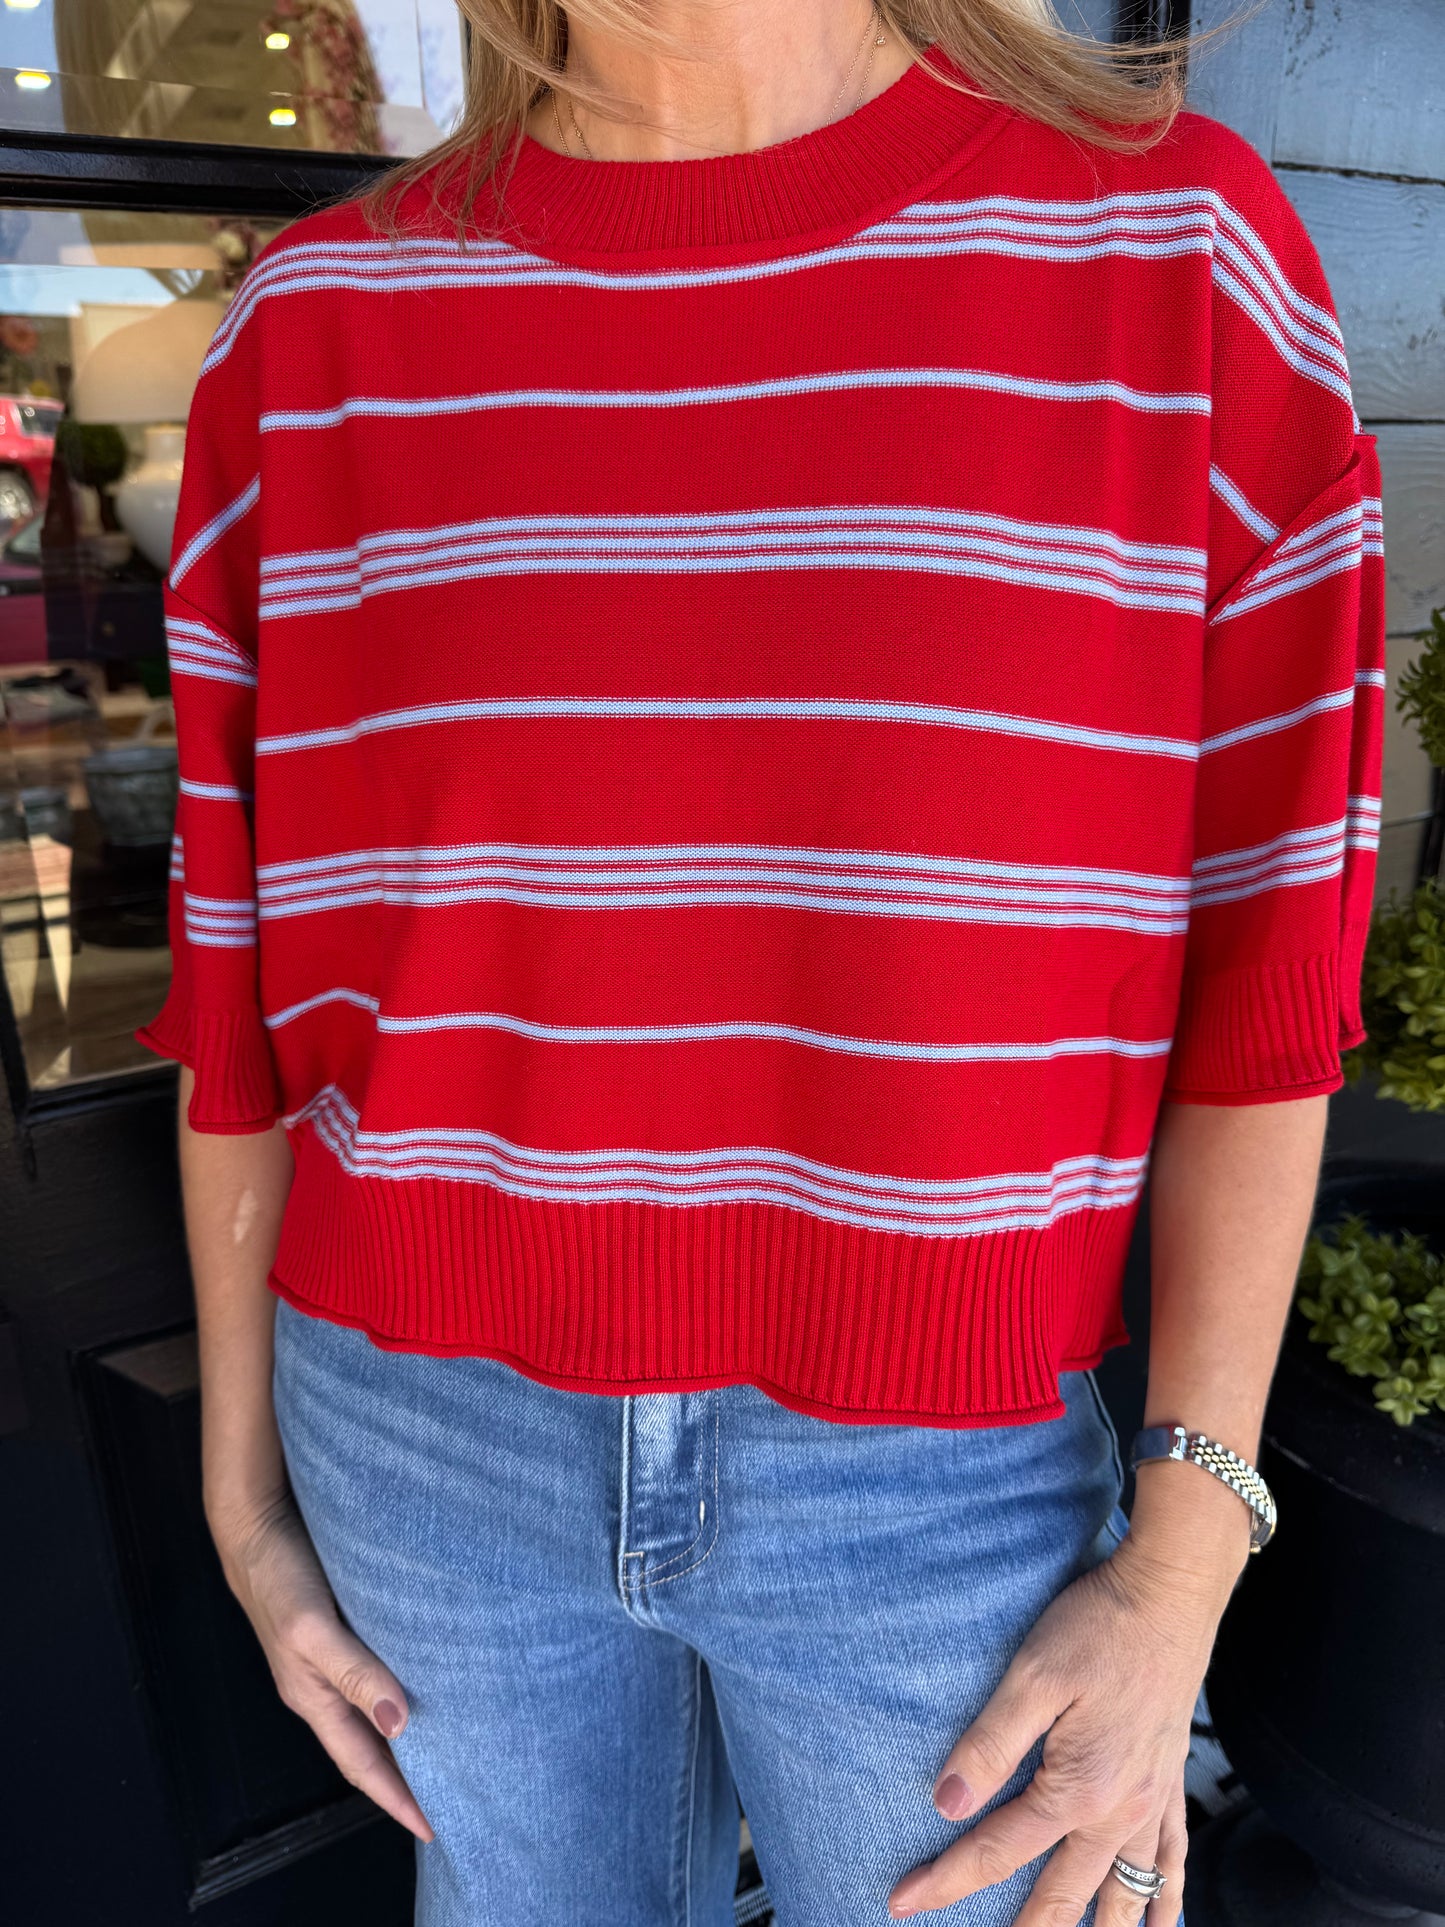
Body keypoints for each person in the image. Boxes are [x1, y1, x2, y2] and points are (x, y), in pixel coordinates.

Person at [137, 2, 1385, 1921]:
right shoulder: (314, 335)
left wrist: (1185, 1550)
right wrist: (239, 1505)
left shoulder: (1170, 255)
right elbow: (233, 988)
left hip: (940, 1472)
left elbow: (1267, 968)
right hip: (421, 1445)